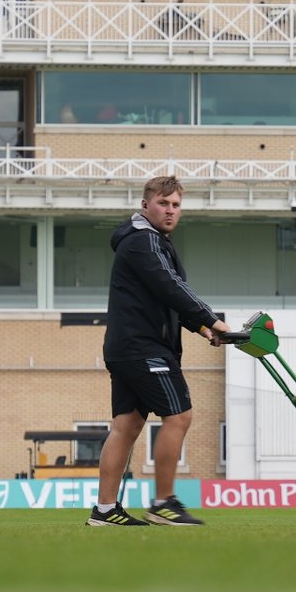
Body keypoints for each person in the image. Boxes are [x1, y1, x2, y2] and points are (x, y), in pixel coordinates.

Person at [87, 175, 230, 527]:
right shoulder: (143, 241)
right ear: (145, 205)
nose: (170, 210)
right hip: (143, 348)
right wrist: (213, 320)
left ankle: (105, 511)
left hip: (126, 347)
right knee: (179, 416)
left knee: (127, 425)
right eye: (163, 203)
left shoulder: (151, 243)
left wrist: (200, 328)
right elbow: (171, 287)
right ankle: (163, 503)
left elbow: (162, 299)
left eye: (176, 205)